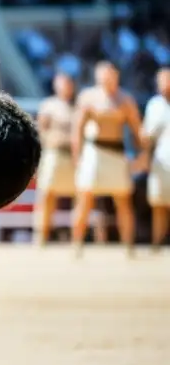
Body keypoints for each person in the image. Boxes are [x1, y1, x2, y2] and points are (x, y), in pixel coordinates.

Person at [70, 60, 145, 255]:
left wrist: (142, 155)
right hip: (94, 152)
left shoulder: (125, 99)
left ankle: (129, 245)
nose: (107, 78)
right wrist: (77, 157)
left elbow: (138, 131)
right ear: (97, 76)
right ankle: (76, 244)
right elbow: (77, 129)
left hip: (117, 153)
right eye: (103, 75)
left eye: (110, 75)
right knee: (85, 198)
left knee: (123, 200)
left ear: (116, 76)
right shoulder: (88, 97)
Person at [34, 73, 77, 245]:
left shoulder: (78, 106)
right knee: (46, 195)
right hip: (53, 153)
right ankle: (41, 236)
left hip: (74, 156)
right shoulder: (48, 105)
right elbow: (41, 131)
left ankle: (77, 238)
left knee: (80, 197)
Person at [143, 68, 170, 249]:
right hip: (161, 161)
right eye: (161, 81)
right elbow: (147, 136)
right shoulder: (154, 105)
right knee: (159, 203)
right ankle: (157, 242)